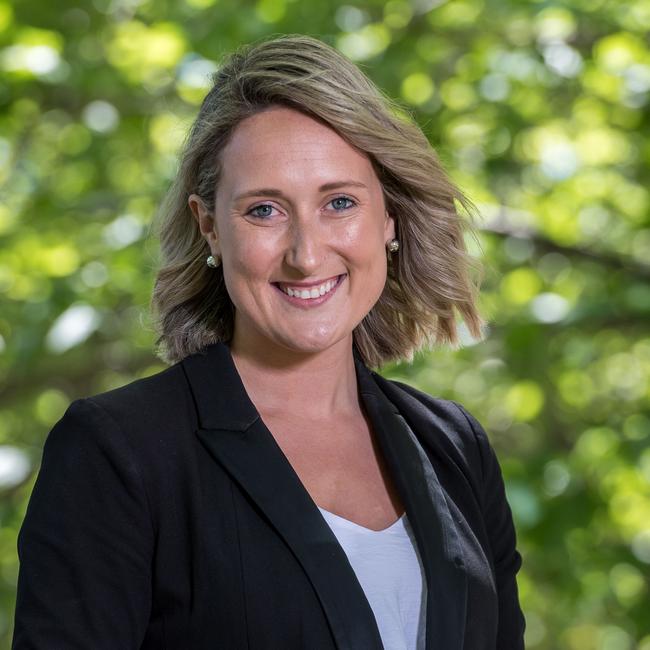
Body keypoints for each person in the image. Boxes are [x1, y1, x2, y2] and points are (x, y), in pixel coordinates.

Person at [12, 34, 525, 650]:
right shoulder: (119, 452)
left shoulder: (454, 447)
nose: (307, 255)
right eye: (264, 211)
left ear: (388, 217)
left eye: (339, 202)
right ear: (210, 228)